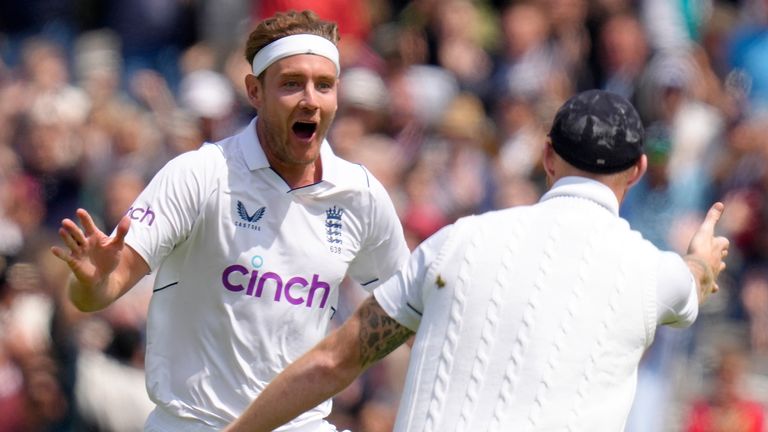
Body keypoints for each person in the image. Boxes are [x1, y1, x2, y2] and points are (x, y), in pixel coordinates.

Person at [224, 89, 731, 432]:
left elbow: (334, 360)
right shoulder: (653, 271)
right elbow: (694, 281)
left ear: (547, 156)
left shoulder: (458, 239)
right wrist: (703, 257)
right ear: (639, 170)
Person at [50, 10, 409, 432]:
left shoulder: (360, 195)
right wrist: (91, 282)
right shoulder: (200, 174)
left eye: (323, 85)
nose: (310, 99)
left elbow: (410, 311)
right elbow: (99, 291)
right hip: (193, 424)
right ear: (254, 91)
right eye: (292, 83)